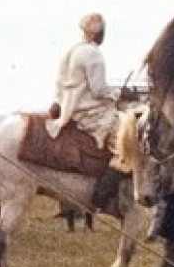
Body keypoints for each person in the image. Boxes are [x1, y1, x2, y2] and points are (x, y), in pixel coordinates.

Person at [47, 12, 124, 208]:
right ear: (98, 33)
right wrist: (120, 94)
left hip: (69, 107)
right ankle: (104, 193)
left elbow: (59, 83)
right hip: (89, 111)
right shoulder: (93, 54)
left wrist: (58, 102)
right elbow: (99, 90)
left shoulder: (72, 50)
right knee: (124, 138)